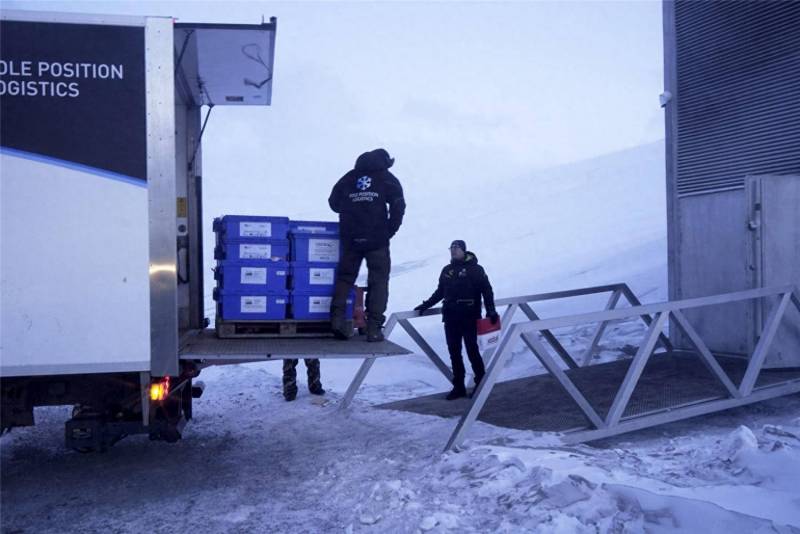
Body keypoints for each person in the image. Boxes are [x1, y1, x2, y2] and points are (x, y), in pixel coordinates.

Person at [328, 148, 406, 342]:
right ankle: (373, 330)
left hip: (351, 239)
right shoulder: (387, 178)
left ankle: (337, 323)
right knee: (378, 282)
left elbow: (333, 203)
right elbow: (399, 206)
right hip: (377, 240)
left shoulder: (348, 178)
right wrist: (390, 231)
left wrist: (351, 208)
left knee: (345, 278)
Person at [414, 240, 499, 400]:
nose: (453, 251)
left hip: (469, 316)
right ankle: (458, 386)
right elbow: (440, 292)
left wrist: (491, 310)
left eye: (456, 248)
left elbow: (487, 291)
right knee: (454, 352)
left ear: (464, 250)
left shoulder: (475, 269)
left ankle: (480, 384)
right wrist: (425, 305)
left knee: (472, 351)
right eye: (451, 248)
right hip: (450, 317)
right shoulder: (447, 270)